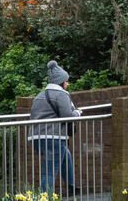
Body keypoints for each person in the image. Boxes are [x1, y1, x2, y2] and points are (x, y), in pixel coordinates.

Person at [29, 60, 82, 197]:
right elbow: (68, 116)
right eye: (67, 81)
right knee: (50, 169)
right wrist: (77, 113)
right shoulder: (61, 95)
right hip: (53, 137)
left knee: (66, 155)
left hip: (36, 138)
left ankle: (71, 187)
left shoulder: (40, 96)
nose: (68, 84)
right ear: (61, 82)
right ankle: (45, 197)